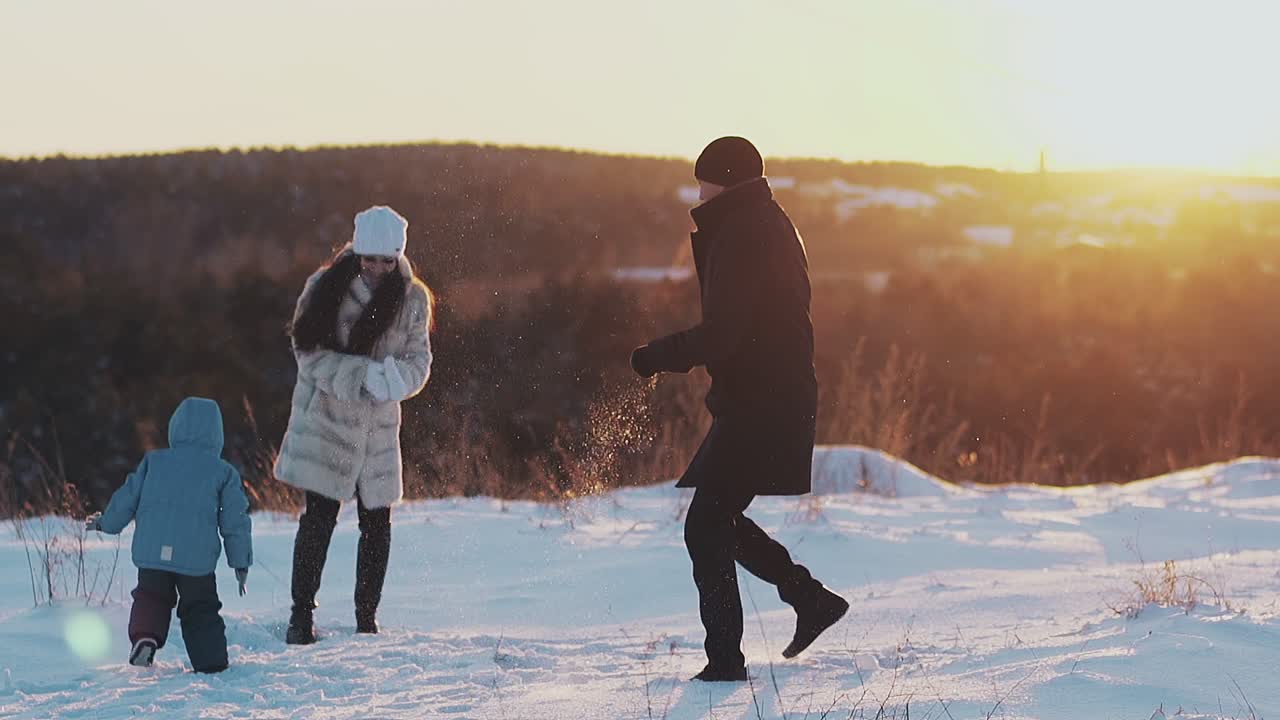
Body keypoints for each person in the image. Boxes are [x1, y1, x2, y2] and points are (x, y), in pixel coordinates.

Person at [630, 136, 848, 681]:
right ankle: (808, 599)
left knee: (706, 525)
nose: (698, 193)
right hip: (770, 396)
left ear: (722, 181)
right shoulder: (765, 222)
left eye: (703, 182)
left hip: (763, 402)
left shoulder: (743, 232)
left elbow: (724, 333)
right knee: (716, 521)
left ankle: (727, 660)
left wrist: (656, 355)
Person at [274, 205, 434, 645]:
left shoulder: (414, 299)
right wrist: (359, 375)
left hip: (377, 431)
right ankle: (300, 616)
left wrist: (393, 380)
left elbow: (419, 361)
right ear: (357, 252)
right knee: (318, 520)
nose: (377, 269)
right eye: (369, 259)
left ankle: (367, 619)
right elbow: (307, 354)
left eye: (386, 260)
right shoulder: (324, 287)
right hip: (328, 421)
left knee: (377, 524)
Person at [86, 396, 253, 673]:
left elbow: (128, 497)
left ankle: (145, 638)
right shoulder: (223, 472)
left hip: (153, 552)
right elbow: (235, 521)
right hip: (196, 558)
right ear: (217, 434)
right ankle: (210, 662)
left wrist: (106, 523)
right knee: (200, 607)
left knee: (151, 596)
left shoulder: (154, 461)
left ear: (176, 427)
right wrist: (240, 562)